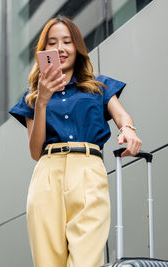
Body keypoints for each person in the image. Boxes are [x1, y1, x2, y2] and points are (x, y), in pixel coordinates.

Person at [8, 15, 142, 267]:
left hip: (88, 171)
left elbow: (122, 116)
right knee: (48, 262)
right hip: (48, 174)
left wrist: (129, 130)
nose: (59, 48)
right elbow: (35, 151)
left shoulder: (98, 86)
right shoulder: (32, 96)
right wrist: (42, 102)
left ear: (77, 47)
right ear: (43, 50)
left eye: (67, 41)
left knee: (86, 260)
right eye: (52, 42)